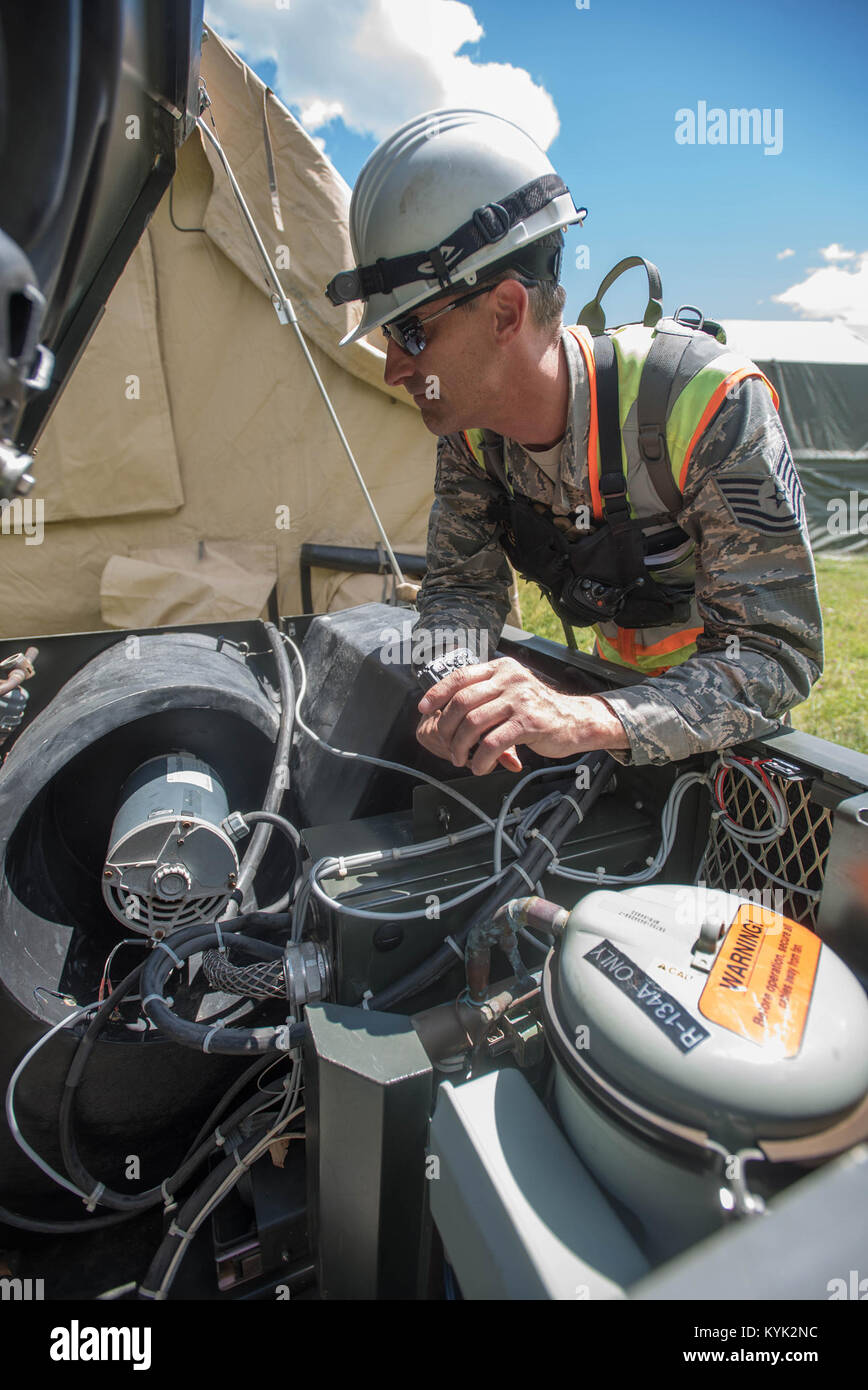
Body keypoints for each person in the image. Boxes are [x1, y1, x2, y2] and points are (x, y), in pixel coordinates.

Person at [325, 108, 823, 775]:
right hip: (600, 699)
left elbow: (775, 653)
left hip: (725, 736)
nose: (394, 369)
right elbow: (461, 588)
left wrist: (584, 717)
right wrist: (454, 684)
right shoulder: (473, 436)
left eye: (411, 333)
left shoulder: (706, 402)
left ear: (506, 311)